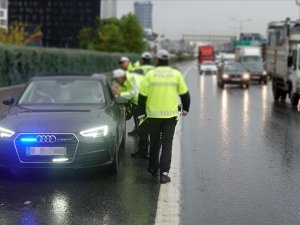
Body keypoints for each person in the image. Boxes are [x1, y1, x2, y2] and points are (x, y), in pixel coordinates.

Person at [138, 49, 191, 184]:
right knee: (167, 144)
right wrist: (185, 109)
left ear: (157, 60)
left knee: (155, 143)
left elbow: (142, 96)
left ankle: (153, 168)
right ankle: (164, 173)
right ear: (168, 60)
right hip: (170, 116)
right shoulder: (175, 74)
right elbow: (185, 94)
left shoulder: (150, 75)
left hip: (153, 116)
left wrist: (141, 113)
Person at [111, 69, 149, 158]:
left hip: (144, 105)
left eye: (117, 79)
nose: (116, 82)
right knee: (142, 128)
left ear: (120, 77)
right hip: (139, 104)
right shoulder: (126, 80)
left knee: (143, 129)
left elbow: (134, 93)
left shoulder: (132, 79)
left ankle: (144, 152)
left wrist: (120, 93)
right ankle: (143, 150)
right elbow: (124, 92)